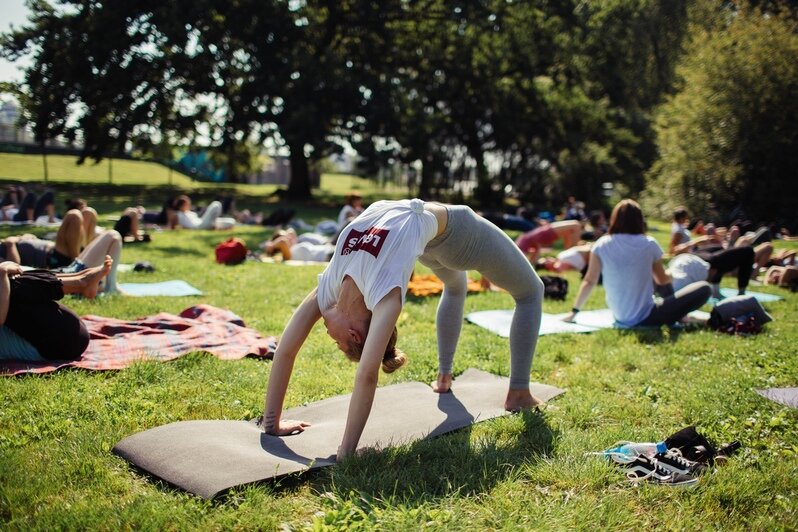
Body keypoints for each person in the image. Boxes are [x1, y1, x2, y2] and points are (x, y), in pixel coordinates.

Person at [261, 199, 545, 458]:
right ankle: (515, 392)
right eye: (338, 344)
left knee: (479, 287)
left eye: (337, 346)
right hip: (446, 235)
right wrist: (341, 449)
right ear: (354, 335)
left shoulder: (330, 292)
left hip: (440, 236)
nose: (328, 337)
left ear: (355, 335)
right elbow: (366, 374)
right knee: (528, 291)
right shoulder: (385, 297)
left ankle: (457, 380)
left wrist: (276, 425)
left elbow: (287, 350)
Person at [563, 199, 711, 327]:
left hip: (620, 315)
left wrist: (574, 312)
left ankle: (678, 314)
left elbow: (589, 281)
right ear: (639, 220)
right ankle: (680, 316)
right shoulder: (648, 243)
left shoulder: (602, 244)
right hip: (647, 317)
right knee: (704, 288)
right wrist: (674, 273)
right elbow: (663, 279)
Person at [0, 256, 112, 361]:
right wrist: (2, 272)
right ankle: (82, 282)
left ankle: (81, 278)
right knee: (11, 286)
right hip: (57, 347)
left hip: (63, 341)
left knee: (11, 280)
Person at [0, 209, 124, 293]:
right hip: (57, 258)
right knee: (111, 235)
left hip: (57, 251)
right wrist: (11, 244)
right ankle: (110, 287)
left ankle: (106, 284)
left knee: (88, 213)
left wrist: (26, 238)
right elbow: (12, 269)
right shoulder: (7, 249)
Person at [669, 207, 758, 298]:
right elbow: (673, 250)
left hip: (695, 255)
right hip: (695, 258)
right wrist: (697, 241)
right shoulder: (678, 230)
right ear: (681, 217)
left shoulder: (679, 228)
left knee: (720, 248)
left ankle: (716, 290)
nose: (687, 219)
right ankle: (740, 293)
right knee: (748, 251)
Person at [515, 220, 583, 263]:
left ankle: (574, 250)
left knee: (574, 226)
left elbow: (533, 260)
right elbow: (533, 260)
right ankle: (574, 250)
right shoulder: (524, 242)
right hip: (546, 232)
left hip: (546, 232)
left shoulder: (523, 244)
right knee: (574, 226)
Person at [261, 228, 336, 262]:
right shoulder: (287, 255)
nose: (288, 237)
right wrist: (272, 244)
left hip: (330, 249)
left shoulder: (294, 246)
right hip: (329, 255)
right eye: (285, 236)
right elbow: (282, 242)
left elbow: (291, 230)